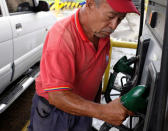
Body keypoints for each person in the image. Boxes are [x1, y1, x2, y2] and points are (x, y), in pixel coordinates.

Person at [28, 0, 139, 130]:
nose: (114, 26)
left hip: (84, 109)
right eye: (110, 17)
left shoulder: (102, 34)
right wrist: (104, 112)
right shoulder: (62, 37)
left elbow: (94, 73)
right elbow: (57, 96)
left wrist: (97, 108)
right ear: (90, 3)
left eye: (120, 19)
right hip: (55, 113)